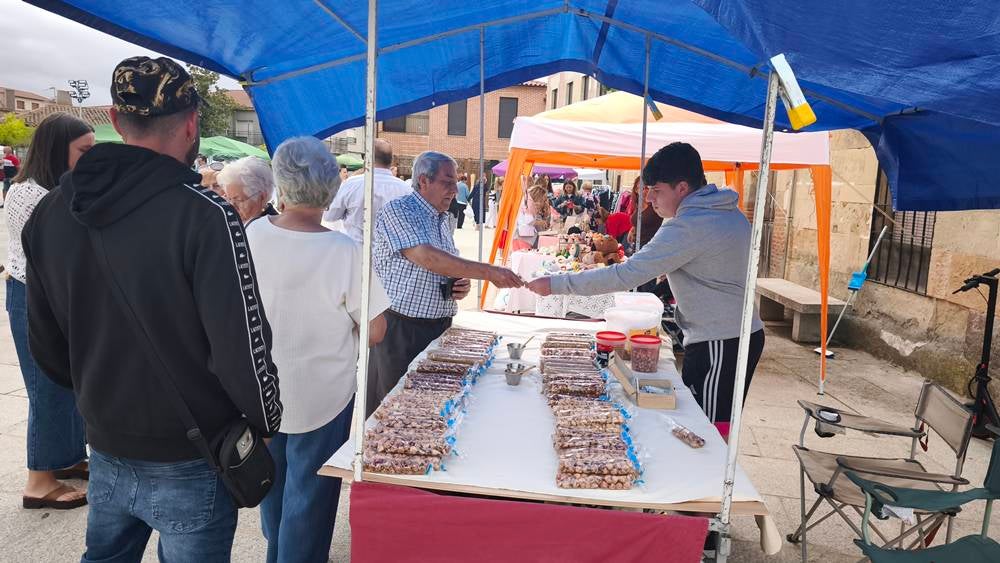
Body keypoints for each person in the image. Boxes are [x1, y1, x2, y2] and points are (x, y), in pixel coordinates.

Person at [22, 56, 282, 562]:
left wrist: (101, 397)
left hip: (108, 438)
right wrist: (265, 419)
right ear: (191, 125)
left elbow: (46, 349)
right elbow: (243, 344)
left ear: (116, 122)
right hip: (193, 450)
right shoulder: (207, 215)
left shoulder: (50, 211)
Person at [527, 142, 765, 436]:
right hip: (731, 334)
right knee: (706, 418)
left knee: (708, 429)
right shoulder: (724, 211)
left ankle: (709, 479)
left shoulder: (690, 224)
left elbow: (626, 275)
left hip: (722, 339)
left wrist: (555, 285)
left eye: (656, 190)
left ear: (681, 187)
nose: (649, 198)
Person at [247, 136, 390, 563]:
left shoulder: (253, 233)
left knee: (270, 483)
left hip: (260, 387)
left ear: (281, 186)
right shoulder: (345, 250)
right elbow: (376, 330)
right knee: (310, 495)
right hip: (324, 392)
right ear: (331, 189)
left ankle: (278, 549)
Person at [368, 151, 524, 414]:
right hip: (400, 329)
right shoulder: (399, 210)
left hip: (436, 328)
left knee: (425, 408)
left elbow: (441, 266)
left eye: (455, 183)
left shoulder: (441, 219)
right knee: (393, 408)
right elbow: (426, 257)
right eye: (447, 183)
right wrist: (489, 272)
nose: (454, 190)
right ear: (423, 181)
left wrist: (455, 285)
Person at [5, 113, 93, 511]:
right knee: (47, 386)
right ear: (59, 150)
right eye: (84, 151)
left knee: (69, 384)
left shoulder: (57, 188)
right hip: (32, 298)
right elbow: (60, 251)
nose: (90, 158)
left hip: (55, 297)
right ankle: (39, 481)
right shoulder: (32, 194)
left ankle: (68, 458)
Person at [323, 138, 410, 243]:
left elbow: (330, 216)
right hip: (391, 255)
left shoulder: (351, 184)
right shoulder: (405, 190)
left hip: (355, 251)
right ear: (391, 161)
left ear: (367, 158)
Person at [218, 156, 277, 223]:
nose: (232, 206)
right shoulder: (235, 222)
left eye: (238, 200)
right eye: (229, 199)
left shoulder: (273, 228)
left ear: (262, 197)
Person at [515, 184, 552, 249]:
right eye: (543, 199)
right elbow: (529, 220)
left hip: (521, 236)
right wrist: (540, 222)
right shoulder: (529, 203)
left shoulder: (526, 200)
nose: (543, 201)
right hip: (524, 238)